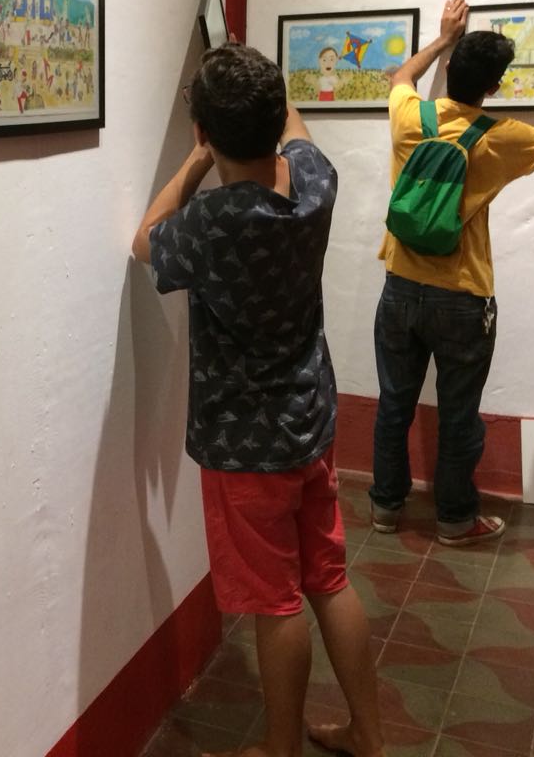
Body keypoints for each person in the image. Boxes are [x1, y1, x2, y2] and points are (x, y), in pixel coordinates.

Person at [132, 43, 385, 757]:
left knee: (276, 605)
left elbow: (145, 241)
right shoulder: (315, 182)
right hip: (312, 421)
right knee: (329, 581)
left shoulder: (211, 222)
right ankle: (370, 736)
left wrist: (193, 163)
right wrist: (265, 95)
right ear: (275, 119)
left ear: (204, 133)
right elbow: (295, 132)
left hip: (244, 447)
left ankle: (280, 751)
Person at [370, 0, 534, 546]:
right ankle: (454, 520)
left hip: (399, 288)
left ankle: (385, 509)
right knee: (459, 415)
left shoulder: (410, 117)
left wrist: (443, 37)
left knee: (393, 406)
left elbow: (400, 76)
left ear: (450, 70)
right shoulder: (502, 136)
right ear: (492, 86)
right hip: (461, 298)